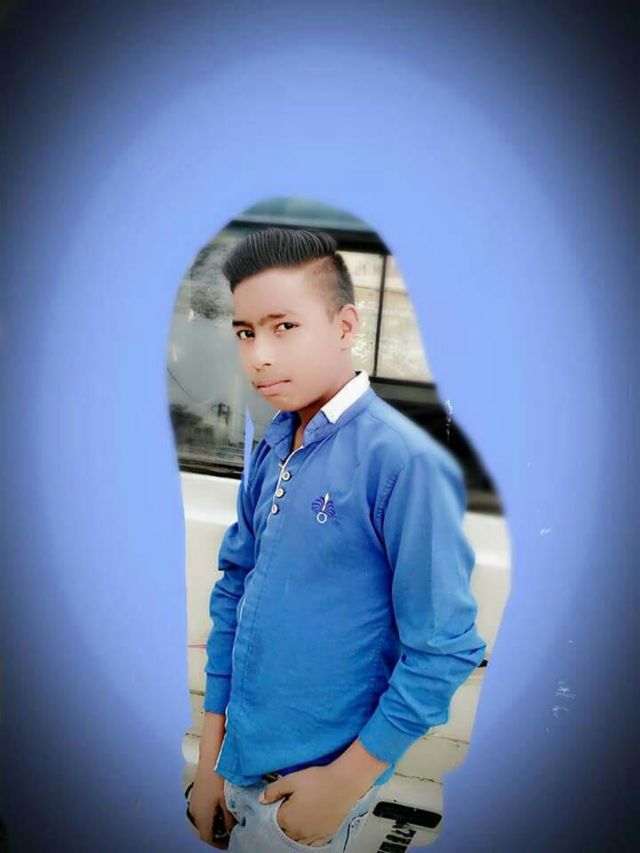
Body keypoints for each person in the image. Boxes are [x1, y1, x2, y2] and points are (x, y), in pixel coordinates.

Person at [187, 227, 486, 850]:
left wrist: (342, 785)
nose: (258, 356)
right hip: (236, 757)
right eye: (245, 333)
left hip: (307, 788)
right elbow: (234, 592)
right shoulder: (274, 442)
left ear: (345, 326)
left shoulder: (400, 462)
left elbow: (444, 650)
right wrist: (210, 762)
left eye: (284, 327)